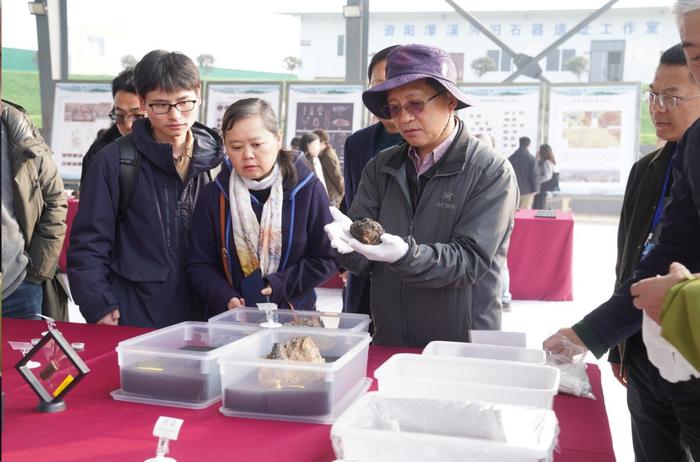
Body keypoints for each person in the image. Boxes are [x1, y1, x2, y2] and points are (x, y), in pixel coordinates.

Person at [544, 40, 700, 461]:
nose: (658, 108)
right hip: (643, 349)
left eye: (673, 97)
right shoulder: (645, 169)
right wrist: (616, 344)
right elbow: (632, 261)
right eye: (654, 95)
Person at [325, 44, 518, 347]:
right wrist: (347, 247)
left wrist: (405, 255)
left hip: (460, 342)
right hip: (390, 337)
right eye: (395, 108)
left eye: (415, 104)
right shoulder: (381, 166)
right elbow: (363, 257)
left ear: (450, 101)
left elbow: (469, 261)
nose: (403, 119)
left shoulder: (490, 171)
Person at [68, 50, 226, 327]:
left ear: (198, 94)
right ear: (143, 102)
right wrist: (98, 304)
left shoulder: (220, 161)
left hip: (209, 314)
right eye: (161, 105)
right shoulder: (113, 161)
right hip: (136, 315)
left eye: (184, 103)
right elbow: (89, 243)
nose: (175, 115)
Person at [187, 98, 337, 315]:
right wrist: (224, 296)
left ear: (277, 139)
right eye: (236, 147)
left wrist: (280, 285)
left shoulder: (307, 189)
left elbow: (326, 257)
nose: (247, 155)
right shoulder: (215, 195)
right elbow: (199, 264)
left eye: (257, 145)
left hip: (293, 317)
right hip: (232, 320)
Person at [342, 44, 403, 318]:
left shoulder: (428, 146)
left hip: (409, 274)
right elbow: (352, 202)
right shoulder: (357, 144)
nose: (387, 94)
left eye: (396, 84)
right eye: (378, 84)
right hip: (363, 278)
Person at [1, 100, 68, 320]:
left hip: (17, 288)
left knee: (30, 355)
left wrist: (37, 272)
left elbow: (55, 200)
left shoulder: (17, 127)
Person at [80, 68, 145, 193]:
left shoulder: (172, 150)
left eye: (137, 116)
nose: (128, 125)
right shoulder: (100, 153)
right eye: (120, 115)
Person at [476, 133, 513, 316]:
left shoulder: (499, 170)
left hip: (491, 238)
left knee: (498, 263)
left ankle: (505, 296)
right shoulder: (470, 169)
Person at [312, 128, 344, 207]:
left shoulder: (327, 155)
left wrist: (342, 194)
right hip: (328, 196)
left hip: (332, 197)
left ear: (323, 143)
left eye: (316, 143)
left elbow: (336, 176)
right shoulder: (321, 155)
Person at [508, 136, 538, 209]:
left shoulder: (512, 157)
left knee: (513, 212)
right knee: (524, 213)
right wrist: (535, 189)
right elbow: (534, 175)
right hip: (527, 191)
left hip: (513, 189)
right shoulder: (531, 158)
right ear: (529, 145)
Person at [533, 144, 559, 210]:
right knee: (538, 207)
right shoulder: (544, 161)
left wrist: (536, 180)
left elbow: (547, 176)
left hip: (543, 189)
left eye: (539, 150)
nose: (538, 151)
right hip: (541, 189)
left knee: (539, 208)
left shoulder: (547, 162)